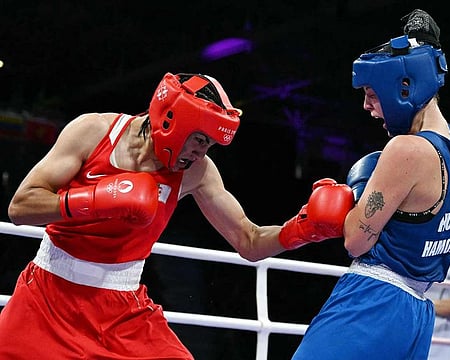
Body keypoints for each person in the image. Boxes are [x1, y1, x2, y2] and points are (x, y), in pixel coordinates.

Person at [0, 71, 354, 359]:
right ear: (171, 119)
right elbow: (20, 207)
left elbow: (249, 241)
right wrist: (95, 198)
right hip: (46, 298)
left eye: (211, 146)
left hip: (121, 312)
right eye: (199, 140)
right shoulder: (93, 132)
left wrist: (301, 231)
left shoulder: (197, 172)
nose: (201, 153)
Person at [291, 9, 450, 360]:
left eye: (372, 94)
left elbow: (356, 240)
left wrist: (351, 202)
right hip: (419, 313)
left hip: (372, 300)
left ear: (403, 86)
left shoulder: (405, 149)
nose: (367, 106)